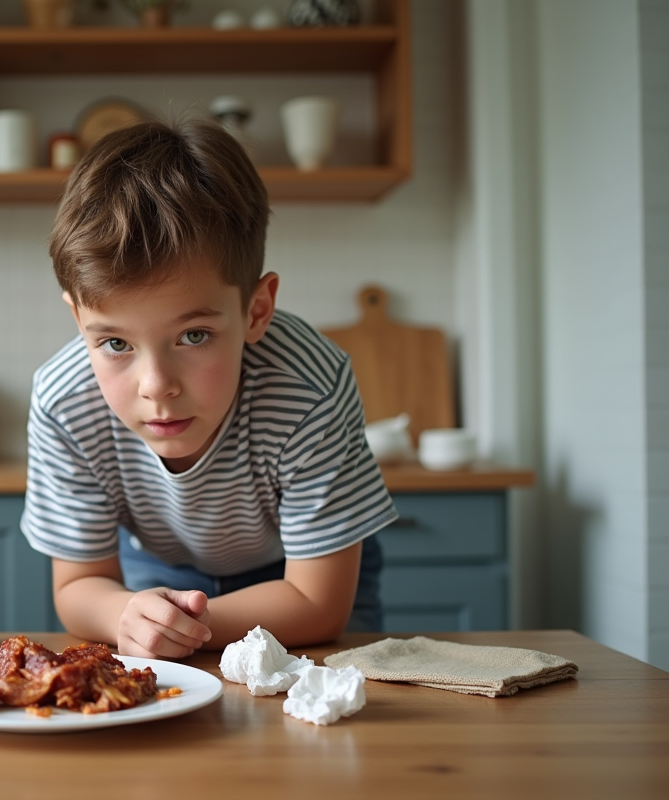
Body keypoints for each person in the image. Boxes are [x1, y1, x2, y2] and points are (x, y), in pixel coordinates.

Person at [20, 118, 397, 660]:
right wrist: (130, 615)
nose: (156, 387)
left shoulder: (309, 387)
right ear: (79, 321)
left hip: (304, 572)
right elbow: (79, 587)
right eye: (115, 344)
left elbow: (319, 604)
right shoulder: (63, 401)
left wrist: (182, 626)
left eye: (193, 335)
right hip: (158, 575)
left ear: (256, 310)